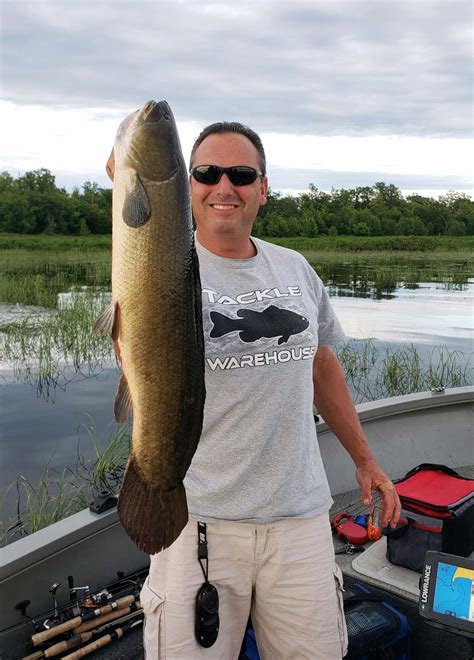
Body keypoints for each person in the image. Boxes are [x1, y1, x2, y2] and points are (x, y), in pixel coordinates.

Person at [138, 121, 401, 659]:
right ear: (188, 185)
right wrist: (134, 184)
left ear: (263, 187)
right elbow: (136, 346)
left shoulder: (294, 267)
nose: (224, 187)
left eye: (241, 174)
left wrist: (366, 460)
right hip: (199, 521)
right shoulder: (159, 268)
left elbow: (322, 366)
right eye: (207, 174)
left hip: (299, 517)